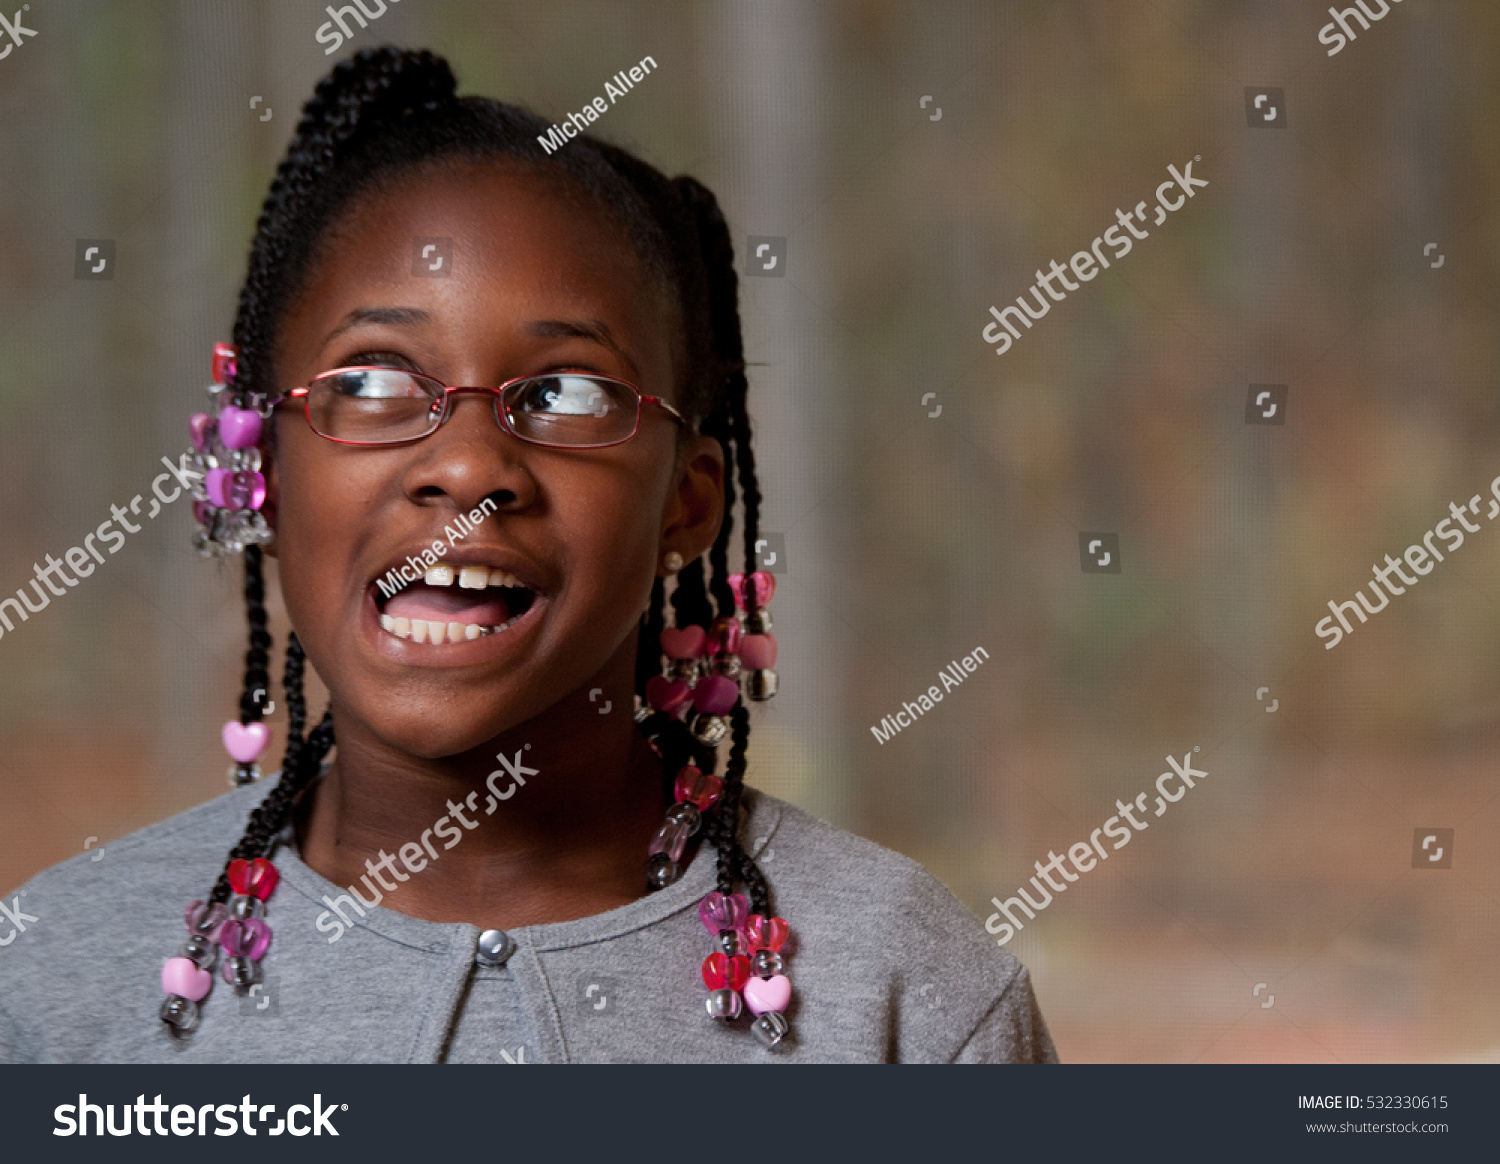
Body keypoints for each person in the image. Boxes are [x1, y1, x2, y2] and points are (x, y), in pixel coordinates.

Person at [0, 46, 1056, 1064]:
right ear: (259, 464)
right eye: (369, 380)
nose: (466, 467)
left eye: (565, 393)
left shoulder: (907, 998)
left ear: (687, 503)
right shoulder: (50, 983)